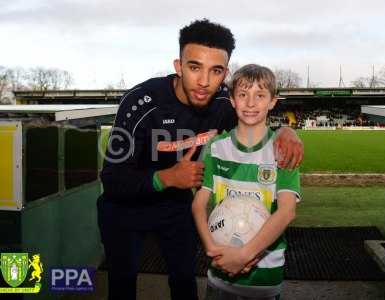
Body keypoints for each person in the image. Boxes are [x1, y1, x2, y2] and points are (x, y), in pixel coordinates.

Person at [97, 19, 303, 300]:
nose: (204, 82)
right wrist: (167, 177)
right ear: (178, 66)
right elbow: (111, 179)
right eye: (194, 67)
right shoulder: (140, 102)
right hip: (125, 208)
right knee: (122, 285)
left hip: (176, 207)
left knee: (184, 282)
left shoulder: (221, 103)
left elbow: (254, 119)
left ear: (225, 73)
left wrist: (287, 130)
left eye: (215, 71)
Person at [192, 64, 301, 300]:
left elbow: (287, 212)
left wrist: (244, 255)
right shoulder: (215, 147)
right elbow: (198, 204)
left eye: (260, 95)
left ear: (273, 101)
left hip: (265, 279)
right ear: (232, 100)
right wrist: (211, 248)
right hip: (219, 272)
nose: (250, 103)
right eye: (243, 95)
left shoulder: (283, 149)